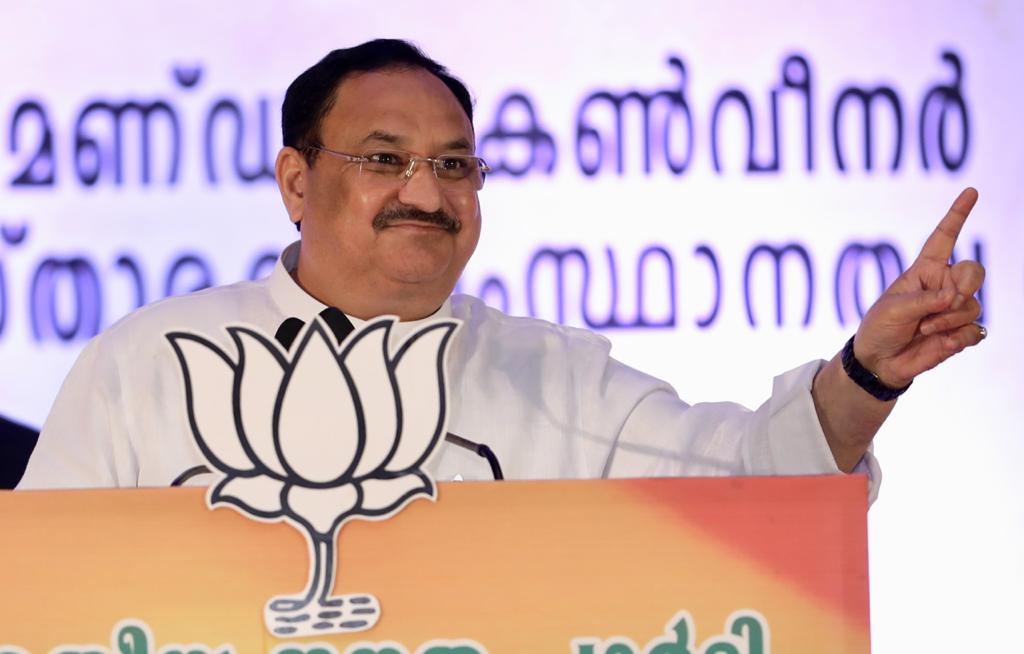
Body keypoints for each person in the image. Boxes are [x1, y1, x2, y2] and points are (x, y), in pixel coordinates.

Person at [18, 39, 985, 499]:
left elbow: (748, 483)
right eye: (384, 159)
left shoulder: (550, 377)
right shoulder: (152, 365)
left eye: (453, 165)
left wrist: (866, 374)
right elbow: (43, 603)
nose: (427, 195)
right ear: (295, 180)